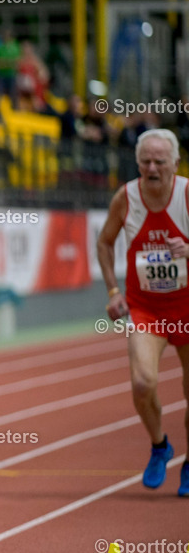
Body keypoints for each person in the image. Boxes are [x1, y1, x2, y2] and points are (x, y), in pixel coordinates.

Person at [97, 128, 189, 496]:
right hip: (147, 308)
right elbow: (104, 242)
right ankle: (159, 445)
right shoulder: (127, 197)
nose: (151, 168)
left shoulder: (186, 194)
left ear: (175, 164)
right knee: (142, 383)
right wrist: (114, 291)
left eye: (159, 161)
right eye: (145, 162)